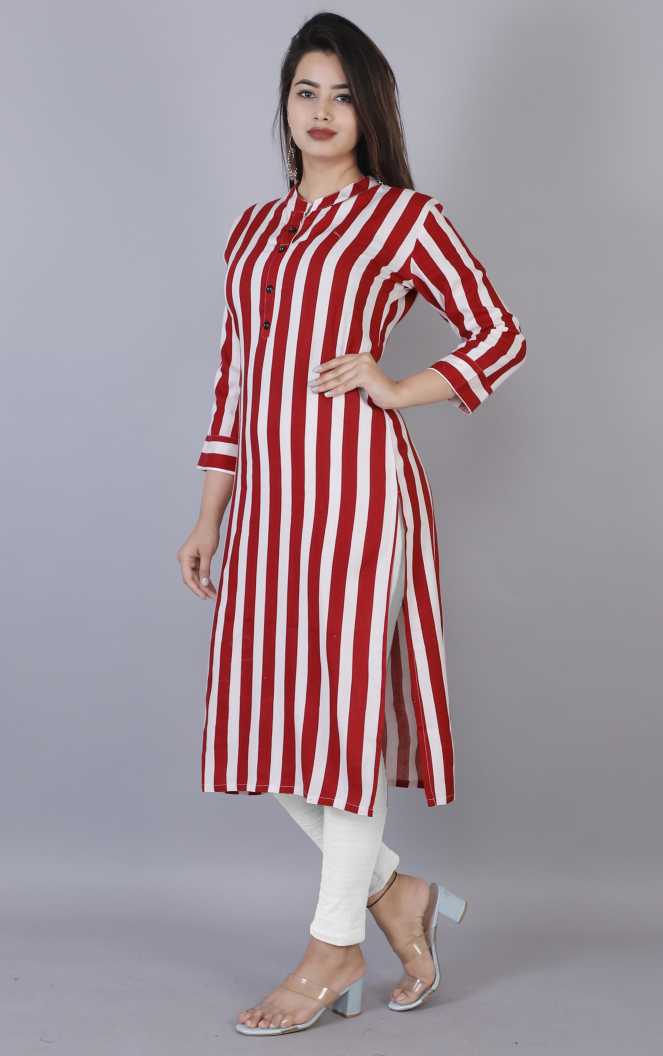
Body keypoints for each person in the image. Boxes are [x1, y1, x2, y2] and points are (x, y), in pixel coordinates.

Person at [177, 11, 527, 1037]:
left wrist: (399, 386)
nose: (322, 112)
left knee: (340, 721)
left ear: (369, 112)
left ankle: (334, 945)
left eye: (341, 95)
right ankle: (396, 894)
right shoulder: (252, 230)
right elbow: (234, 379)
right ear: (286, 106)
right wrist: (209, 513)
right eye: (306, 92)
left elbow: (498, 333)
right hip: (270, 507)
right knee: (267, 719)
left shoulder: (404, 221)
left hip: (360, 499)